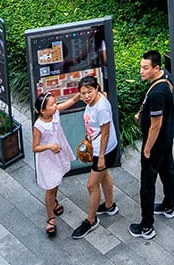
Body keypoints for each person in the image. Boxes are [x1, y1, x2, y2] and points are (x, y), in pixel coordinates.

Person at [128, 49, 174, 240]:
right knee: (167, 170)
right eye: (141, 67)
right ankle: (168, 205)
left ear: (156, 68)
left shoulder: (157, 92)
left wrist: (147, 148)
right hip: (167, 136)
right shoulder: (167, 77)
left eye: (145, 68)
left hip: (155, 142)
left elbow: (155, 124)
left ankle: (147, 226)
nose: (141, 71)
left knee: (147, 184)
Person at [68, 75, 119, 239]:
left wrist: (102, 156)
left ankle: (91, 220)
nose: (86, 96)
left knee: (91, 185)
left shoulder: (101, 107)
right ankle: (110, 205)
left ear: (96, 89)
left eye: (89, 92)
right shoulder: (94, 100)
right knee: (104, 176)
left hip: (103, 151)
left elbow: (105, 133)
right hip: (99, 148)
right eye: (83, 93)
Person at [31, 92, 72, 237]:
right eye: (52, 104)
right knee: (50, 187)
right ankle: (50, 218)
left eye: (55, 103)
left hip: (57, 154)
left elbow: (69, 102)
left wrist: (79, 96)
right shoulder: (39, 126)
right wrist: (49, 146)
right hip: (48, 159)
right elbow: (35, 147)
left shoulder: (55, 114)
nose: (55, 106)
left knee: (56, 181)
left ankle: (54, 202)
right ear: (43, 110)